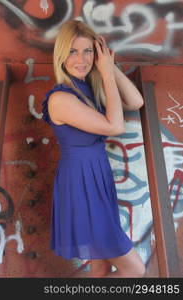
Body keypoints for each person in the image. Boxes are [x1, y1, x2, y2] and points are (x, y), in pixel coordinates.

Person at [42, 20, 145, 278]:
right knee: (134, 269)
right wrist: (107, 74)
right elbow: (115, 126)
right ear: (61, 55)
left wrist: (109, 65)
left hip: (98, 177)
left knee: (100, 266)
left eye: (88, 51)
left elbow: (136, 101)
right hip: (80, 184)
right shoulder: (61, 98)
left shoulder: (88, 89)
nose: (82, 59)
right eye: (73, 51)